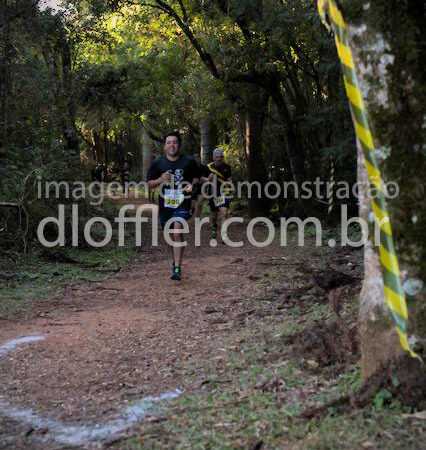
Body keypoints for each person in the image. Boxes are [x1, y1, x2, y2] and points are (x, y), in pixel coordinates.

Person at [146, 131, 199, 281]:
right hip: (165, 205)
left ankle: (177, 267)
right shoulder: (158, 163)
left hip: (183, 203)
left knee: (177, 231)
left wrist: (191, 186)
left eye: (175, 142)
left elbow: (196, 177)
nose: (172, 145)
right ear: (164, 146)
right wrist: (160, 179)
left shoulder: (188, 161)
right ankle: (174, 262)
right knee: (170, 236)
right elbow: (149, 184)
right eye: (169, 142)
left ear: (179, 145)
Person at [201, 148, 232, 242]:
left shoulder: (227, 167)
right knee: (214, 215)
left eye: (220, 157)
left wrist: (230, 181)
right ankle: (214, 228)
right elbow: (201, 178)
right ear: (213, 157)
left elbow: (229, 178)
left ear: (223, 157)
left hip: (224, 193)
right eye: (216, 157)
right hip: (213, 194)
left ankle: (224, 235)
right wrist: (207, 179)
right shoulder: (208, 167)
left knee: (224, 214)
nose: (218, 159)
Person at [191, 154, 209, 219]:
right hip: (192, 188)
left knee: (199, 204)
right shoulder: (190, 168)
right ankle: (191, 211)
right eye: (196, 159)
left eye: (198, 158)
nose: (197, 160)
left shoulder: (205, 168)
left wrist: (205, 179)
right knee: (192, 205)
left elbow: (209, 178)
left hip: (202, 188)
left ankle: (197, 219)